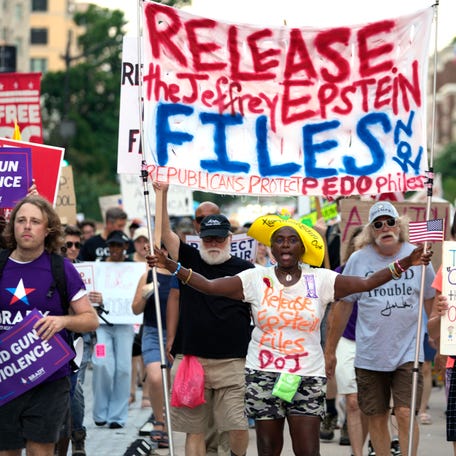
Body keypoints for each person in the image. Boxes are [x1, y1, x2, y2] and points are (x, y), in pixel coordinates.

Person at [147, 210, 432, 456]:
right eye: (279, 240)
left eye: (292, 240)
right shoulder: (255, 278)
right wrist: (174, 266)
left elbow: (366, 283)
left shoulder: (320, 279)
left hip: (307, 375)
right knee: (269, 449)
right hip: (263, 373)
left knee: (307, 450)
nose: (285, 245)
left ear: (302, 247)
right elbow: (209, 286)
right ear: (271, 248)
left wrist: (405, 262)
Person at [324, 201, 436, 456]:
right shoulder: (358, 259)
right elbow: (343, 307)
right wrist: (330, 350)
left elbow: (431, 301)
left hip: (409, 351)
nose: (385, 227)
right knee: (377, 415)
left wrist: (440, 342)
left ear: (399, 225)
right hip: (370, 354)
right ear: (371, 230)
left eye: (390, 222)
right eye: (378, 224)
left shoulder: (420, 256)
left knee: (406, 412)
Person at [154, 183, 254, 456]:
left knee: (237, 426)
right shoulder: (187, 258)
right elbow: (164, 232)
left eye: (218, 238)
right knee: (194, 430)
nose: (213, 243)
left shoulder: (246, 269)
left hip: (233, 362)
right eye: (208, 238)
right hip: (192, 361)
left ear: (229, 238)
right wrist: (161, 193)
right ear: (199, 236)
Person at [0, 195, 99, 455]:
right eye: (21, 221)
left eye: (35, 221)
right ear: (12, 227)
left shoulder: (62, 269)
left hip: (50, 379)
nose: (27, 226)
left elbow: (90, 320)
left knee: (39, 450)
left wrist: (62, 321)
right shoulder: (1, 264)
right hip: (6, 378)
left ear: (48, 230)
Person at [132, 245, 179, 449]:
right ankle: (159, 418)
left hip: (175, 334)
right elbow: (135, 310)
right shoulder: (148, 276)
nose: (162, 254)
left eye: (166, 251)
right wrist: (145, 294)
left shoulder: (180, 273)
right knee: (155, 377)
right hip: (152, 332)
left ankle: (168, 423)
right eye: (159, 250)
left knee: (170, 382)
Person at [330, 226, 369, 456]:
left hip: (373, 344)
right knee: (353, 401)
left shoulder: (384, 273)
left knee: (368, 404)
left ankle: (363, 446)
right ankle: (357, 452)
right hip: (346, 340)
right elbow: (334, 314)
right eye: (359, 244)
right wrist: (329, 350)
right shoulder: (340, 273)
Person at [91, 230, 135, 429]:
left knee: (124, 368)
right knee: (101, 363)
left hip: (125, 324)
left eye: (119, 245)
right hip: (102, 324)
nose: (115, 249)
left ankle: (117, 416)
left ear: (126, 247)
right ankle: (100, 411)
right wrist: (96, 298)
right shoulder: (99, 267)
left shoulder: (134, 269)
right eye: (112, 245)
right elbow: (88, 292)